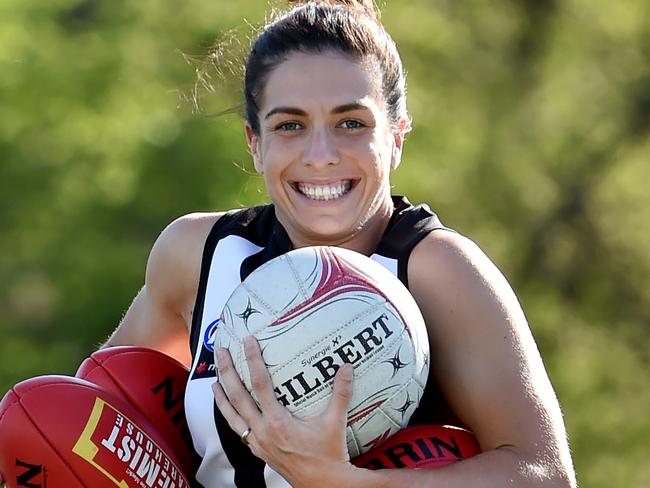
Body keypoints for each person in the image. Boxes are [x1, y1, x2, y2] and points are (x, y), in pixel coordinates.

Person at [105, 1, 577, 486]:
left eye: (351, 123)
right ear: (254, 141)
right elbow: (101, 410)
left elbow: (545, 474)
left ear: (396, 136)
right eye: (290, 125)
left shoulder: (439, 270)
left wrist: (350, 483)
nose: (322, 156)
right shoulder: (198, 253)